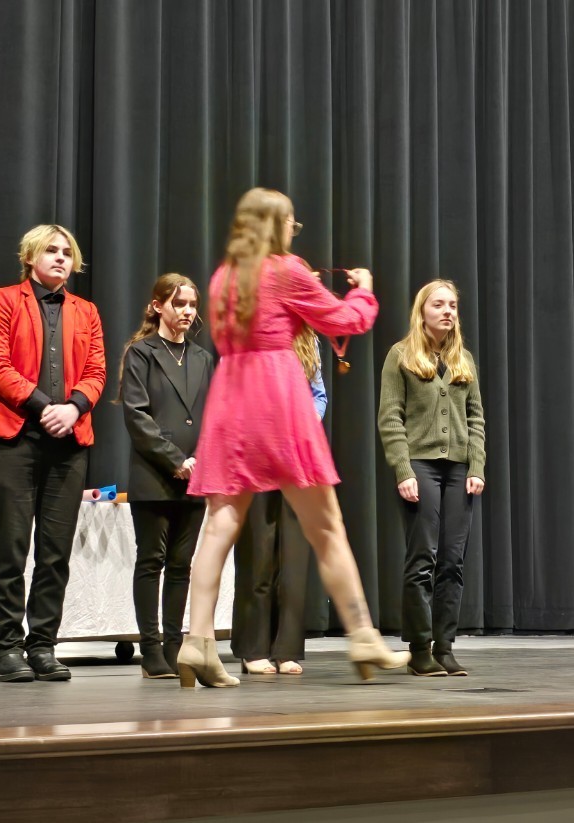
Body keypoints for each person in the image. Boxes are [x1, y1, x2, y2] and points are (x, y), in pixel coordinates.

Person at [177, 187, 410, 688]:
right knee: (326, 526)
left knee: (218, 525)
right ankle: (363, 634)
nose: (293, 231)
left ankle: (196, 642)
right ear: (276, 224)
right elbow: (346, 320)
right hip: (276, 395)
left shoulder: (222, 277)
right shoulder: (285, 270)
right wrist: (364, 290)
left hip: (231, 397)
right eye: (290, 223)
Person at [0, 224, 106, 683]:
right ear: (30, 257)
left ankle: (43, 644)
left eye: (67, 251)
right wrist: (46, 406)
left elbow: (96, 370)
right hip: (15, 440)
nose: (61, 257)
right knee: (10, 548)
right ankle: (7, 648)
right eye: (51, 250)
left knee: (55, 553)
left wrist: (74, 407)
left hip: (68, 443)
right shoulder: (4, 300)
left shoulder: (86, 310)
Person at [378, 280, 485, 677]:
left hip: (458, 468)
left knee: (453, 561)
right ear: (422, 311)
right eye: (438, 304)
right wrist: (403, 470)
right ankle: (419, 647)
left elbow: (476, 418)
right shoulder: (400, 355)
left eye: (452, 305)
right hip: (420, 465)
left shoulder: (463, 360)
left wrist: (477, 466)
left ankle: (445, 646)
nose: (447, 311)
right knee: (423, 558)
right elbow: (390, 418)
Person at [120, 274, 213, 678]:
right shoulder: (142, 353)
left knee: (180, 564)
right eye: (179, 304)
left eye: (192, 305)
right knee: (151, 559)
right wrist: (175, 458)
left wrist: (203, 459)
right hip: (155, 473)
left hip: (197, 474)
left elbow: (212, 415)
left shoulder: (202, 357)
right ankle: (151, 648)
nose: (187, 312)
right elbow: (137, 415)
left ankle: (176, 646)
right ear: (158, 306)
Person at [231, 326, 327, 676]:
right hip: (257, 455)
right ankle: (253, 647)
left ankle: (286, 648)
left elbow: (318, 395)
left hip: (296, 459)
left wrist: (305, 426)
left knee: (293, 557)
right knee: (258, 552)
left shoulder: (308, 340)